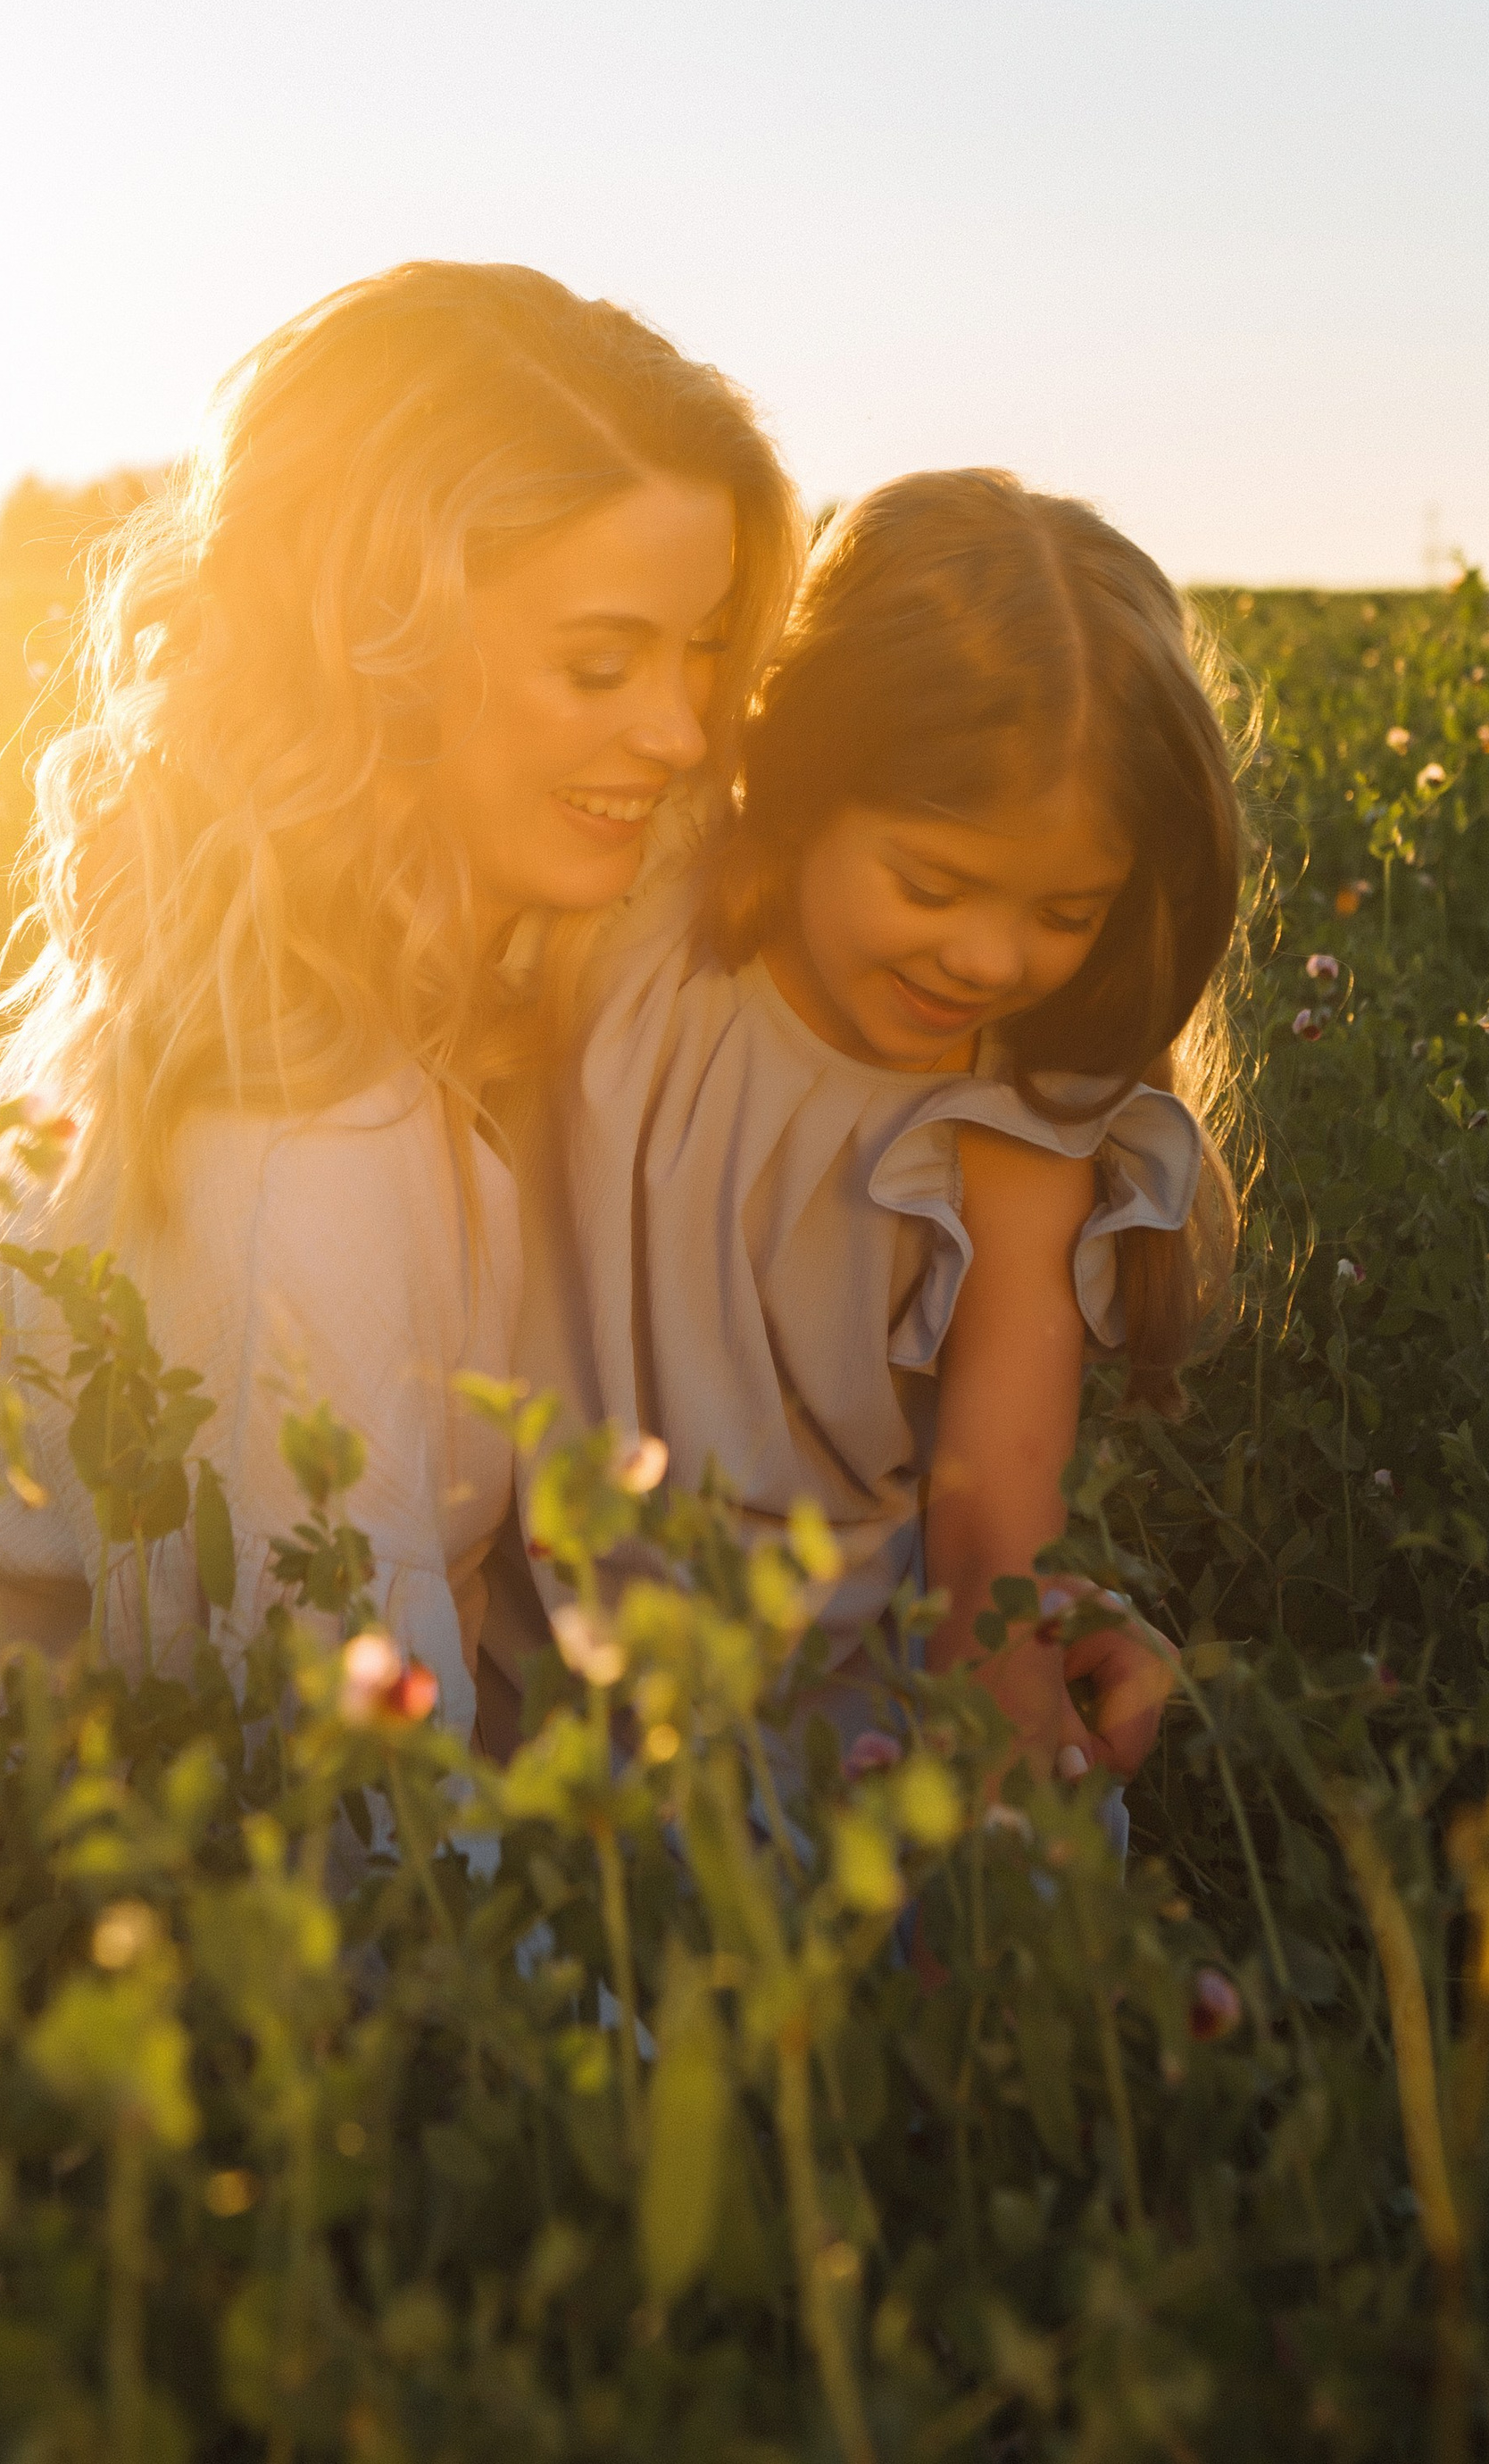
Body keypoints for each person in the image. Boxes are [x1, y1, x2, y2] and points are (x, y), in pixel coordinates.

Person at [0, 262, 803, 1736]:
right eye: (599, 661)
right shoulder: (300, 1143)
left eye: (704, 649)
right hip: (44, 1906)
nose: (679, 729)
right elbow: (357, 1822)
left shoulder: (410, 980)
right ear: (377, 658)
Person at [512, 468, 1246, 1786]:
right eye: (934, 881)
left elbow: (989, 1528)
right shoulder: (646, 915)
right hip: (525, 1642)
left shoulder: (1020, 1126)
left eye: (1066, 912)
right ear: (802, 785)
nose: (987, 956)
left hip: (827, 1704)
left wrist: (1004, 1745)